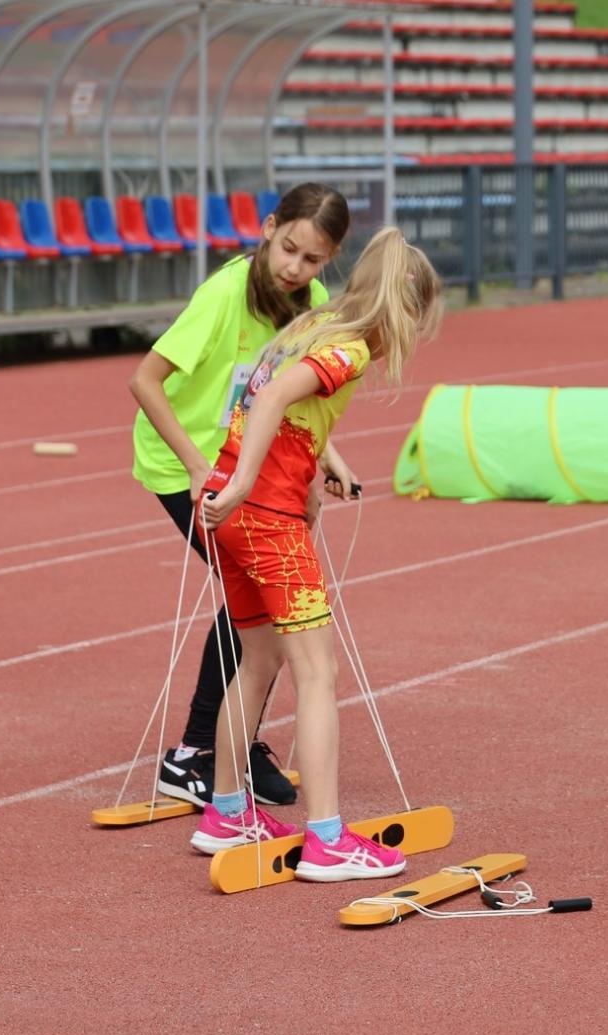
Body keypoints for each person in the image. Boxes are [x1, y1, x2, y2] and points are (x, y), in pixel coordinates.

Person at [190, 227, 443, 881]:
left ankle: (226, 811)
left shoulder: (310, 327)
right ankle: (328, 838)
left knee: (258, 658)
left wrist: (300, 476)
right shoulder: (348, 349)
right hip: (264, 517)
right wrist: (250, 483)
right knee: (317, 673)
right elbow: (274, 398)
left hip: (239, 513)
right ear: (402, 310)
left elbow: (274, 408)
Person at [128, 182, 357, 810]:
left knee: (259, 607)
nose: (295, 268)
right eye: (289, 249)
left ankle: (232, 740)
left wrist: (325, 460)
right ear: (268, 227)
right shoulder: (225, 295)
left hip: (251, 469)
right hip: (187, 464)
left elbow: (292, 395)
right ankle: (198, 752)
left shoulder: (312, 302)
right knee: (258, 605)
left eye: (313, 260)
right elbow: (144, 381)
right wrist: (197, 466)